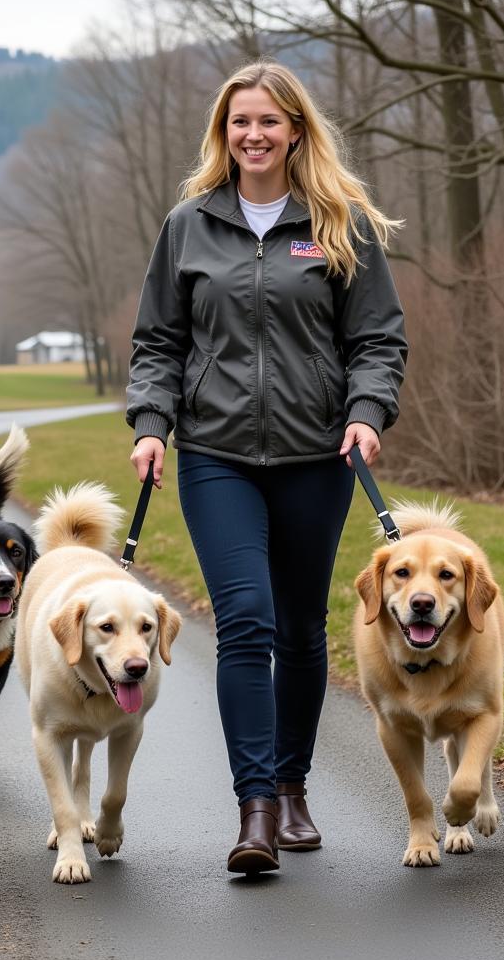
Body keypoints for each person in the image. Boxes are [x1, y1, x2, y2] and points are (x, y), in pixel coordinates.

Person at [126, 60, 407, 875]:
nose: (253, 134)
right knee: (244, 619)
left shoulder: (339, 221)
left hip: (319, 454)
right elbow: (158, 343)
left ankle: (292, 787)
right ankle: (253, 810)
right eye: (240, 122)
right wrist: (152, 424)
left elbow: (377, 341)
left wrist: (364, 413)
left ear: (295, 132)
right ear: (225, 132)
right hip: (215, 456)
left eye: (269, 122)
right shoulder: (189, 225)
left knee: (300, 626)